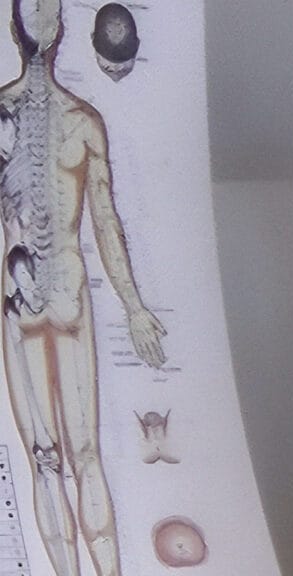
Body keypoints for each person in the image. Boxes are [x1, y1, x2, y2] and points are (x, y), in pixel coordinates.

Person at [0, 1, 166, 575]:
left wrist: (135, 307)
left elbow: (106, 220)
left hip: (69, 292)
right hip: (18, 299)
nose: (41, 19)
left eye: (47, 9)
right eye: (32, 9)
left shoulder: (83, 120)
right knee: (44, 457)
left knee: (85, 452)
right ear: (15, 26)